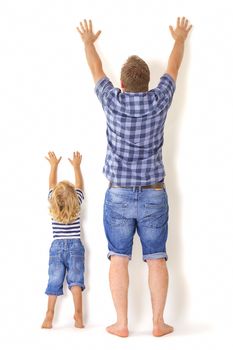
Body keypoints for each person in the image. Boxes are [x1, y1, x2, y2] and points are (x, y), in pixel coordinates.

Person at [77, 17, 192, 337]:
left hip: (118, 195)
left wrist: (88, 43)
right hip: (155, 193)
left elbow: (96, 71)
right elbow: (174, 68)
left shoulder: (112, 100)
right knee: (157, 258)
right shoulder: (160, 100)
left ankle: (122, 324)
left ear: (123, 84)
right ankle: (158, 323)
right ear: (148, 82)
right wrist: (180, 38)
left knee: (118, 258)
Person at [42, 151, 85, 329]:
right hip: (75, 245)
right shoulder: (78, 201)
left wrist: (53, 166)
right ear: (73, 197)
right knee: (76, 282)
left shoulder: (52, 203)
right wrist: (76, 166)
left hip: (57, 246)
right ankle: (79, 316)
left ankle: (49, 315)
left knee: (54, 281)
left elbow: (51, 184)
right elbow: (80, 185)